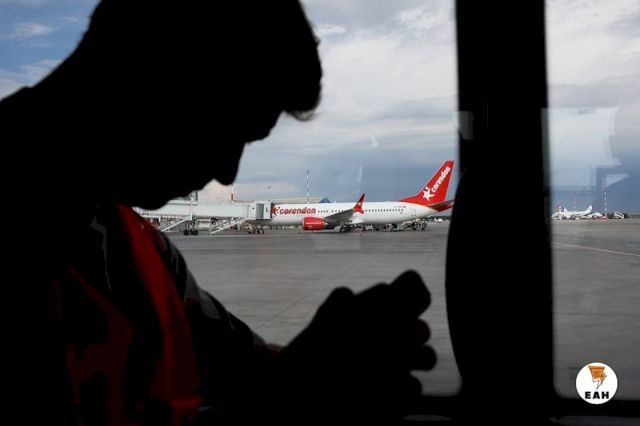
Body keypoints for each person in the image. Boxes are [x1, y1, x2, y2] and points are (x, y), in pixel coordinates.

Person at [1, 0, 436, 424]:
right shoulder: (126, 250)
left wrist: (312, 370)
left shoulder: (143, 251)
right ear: (148, 70)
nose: (228, 170)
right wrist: (299, 387)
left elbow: (243, 373)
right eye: (227, 129)